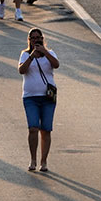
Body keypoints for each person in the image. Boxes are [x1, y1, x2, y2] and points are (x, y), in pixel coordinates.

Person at [19, 28, 59, 171]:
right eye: (33, 38)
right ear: (29, 40)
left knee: (46, 129)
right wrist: (32, 56)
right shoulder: (25, 55)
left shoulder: (50, 53)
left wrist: (45, 52)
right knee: (33, 128)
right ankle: (33, 159)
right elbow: (21, 70)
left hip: (47, 97)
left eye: (38, 37)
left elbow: (56, 64)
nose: (36, 40)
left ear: (43, 39)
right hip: (30, 97)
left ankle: (44, 161)